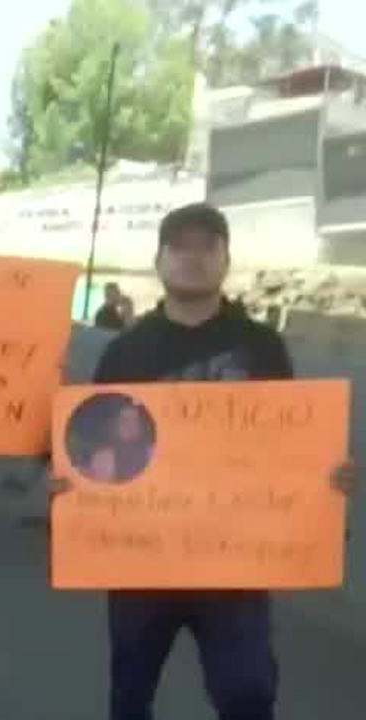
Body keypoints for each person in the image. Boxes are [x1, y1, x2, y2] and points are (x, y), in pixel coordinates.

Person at [53, 202, 356, 720]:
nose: (193, 258)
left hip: (234, 560)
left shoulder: (262, 347)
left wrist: (325, 479)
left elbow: (291, 440)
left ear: (226, 261)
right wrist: (69, 482)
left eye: (207, 247)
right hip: (141, 557)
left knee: (248, 695)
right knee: (129, 694)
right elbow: (94, 441)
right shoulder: (124, 352)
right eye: (180, 247)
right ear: (159, 260)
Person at [83, 401, 153, 485]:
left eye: (134, 420)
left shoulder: (151, 453)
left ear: (140, 425)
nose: (129, 425)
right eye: (124, 420)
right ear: (115, 424)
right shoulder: (102, 458)